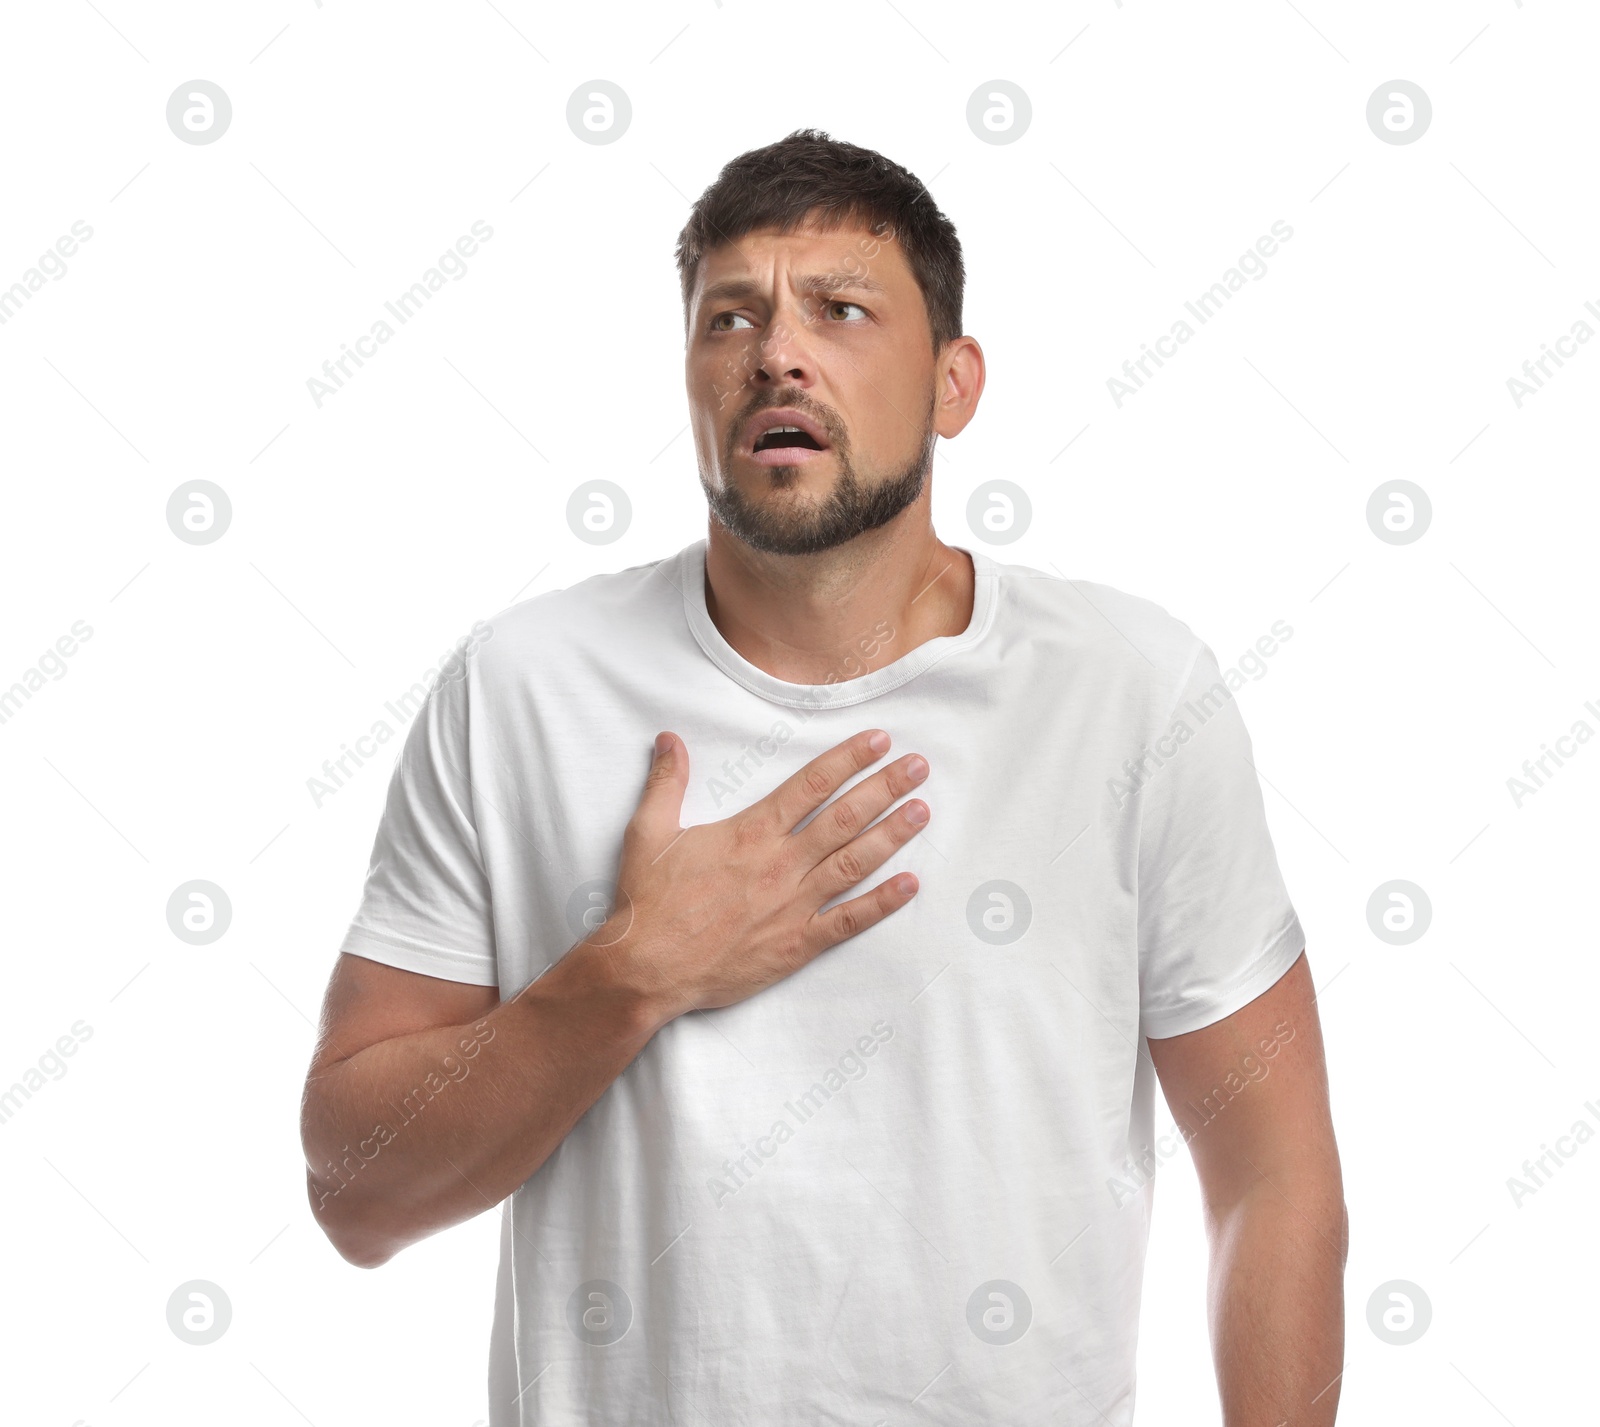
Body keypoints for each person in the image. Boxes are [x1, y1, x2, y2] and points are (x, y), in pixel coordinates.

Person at [300, 129, 1346, 1426]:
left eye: (840, 310)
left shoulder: (1134, 692)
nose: (774, 352)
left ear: (953, 383)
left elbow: (1274, 1176)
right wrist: (627, 976)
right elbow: (356, 1195)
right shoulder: (522, 687)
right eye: (727, 318)